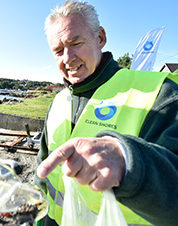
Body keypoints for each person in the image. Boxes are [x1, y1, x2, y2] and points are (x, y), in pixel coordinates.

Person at [34, 1, 178, 226]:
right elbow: (42, 174)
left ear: (100, 37)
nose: (67, 58)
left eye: (76, 42)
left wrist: (129, 161)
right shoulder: (57, 102)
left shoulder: (161, 94)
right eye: (58, 50)